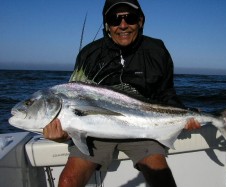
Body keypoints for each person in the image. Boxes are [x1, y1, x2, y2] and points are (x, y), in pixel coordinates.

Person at [43, 0, 201, 186]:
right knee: (68, 181)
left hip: (142, 128)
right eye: (115, 19)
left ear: (141, 21)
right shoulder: (89, 54)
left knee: (162, 178)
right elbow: (76, 103)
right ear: (107, 25)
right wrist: (65, 133)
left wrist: (183, 114)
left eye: (130, 18)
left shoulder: (156, 51)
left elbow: (165, 92)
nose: (123, 25)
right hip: (94, 133)